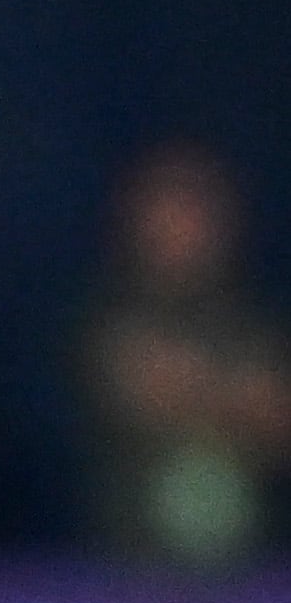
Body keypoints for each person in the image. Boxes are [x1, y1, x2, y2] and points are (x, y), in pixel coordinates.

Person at [80, 139, 291, 570]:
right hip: (129, 572)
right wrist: (239, 402)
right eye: (166, 210)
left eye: (193, 209)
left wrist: (205, 394)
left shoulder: (257, 326)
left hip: (258, 575)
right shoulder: (105, 321)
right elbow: (144, 387)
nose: (180, 227)